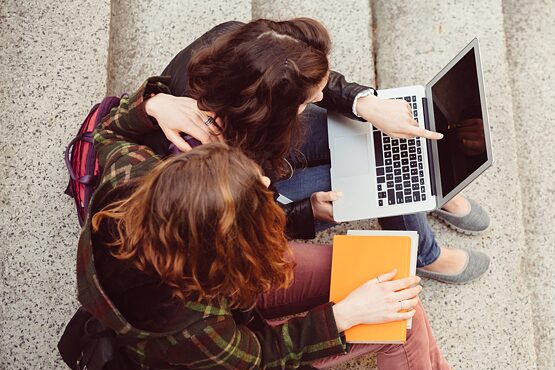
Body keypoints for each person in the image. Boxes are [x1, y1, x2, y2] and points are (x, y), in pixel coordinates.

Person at [78, 77, 528, 370]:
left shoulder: (133, 175)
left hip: (222, 283)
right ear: (221, 243)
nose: (271, 186)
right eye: (256, 201)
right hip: (220, 368)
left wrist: (154, 103)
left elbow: (111, 130)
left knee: (390, 277)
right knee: (398, 320)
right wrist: (340, 318)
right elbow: (254, 356)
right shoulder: (183, 321)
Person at [140, 18, 490, 284]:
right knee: (370, 174)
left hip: (260, 145)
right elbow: (245, 228)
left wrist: (362, 102)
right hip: (246, 192)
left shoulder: (242, 46)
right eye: (308, 100)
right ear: (273, 109)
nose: (319, 99)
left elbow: (304, 74)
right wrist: (308, 213)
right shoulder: (206, 153)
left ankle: (426, 181)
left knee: (368, 127)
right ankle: (424, 249)